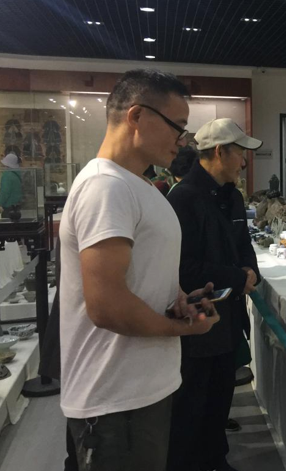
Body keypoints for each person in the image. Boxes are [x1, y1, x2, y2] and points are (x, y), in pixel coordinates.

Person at [58, 69, 219, 471]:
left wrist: (180, 300)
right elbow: (107, 306)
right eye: (177, 126)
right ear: (136, 116)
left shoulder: (138, 186)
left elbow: (142, 278)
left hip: (140, 390)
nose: (182, 140)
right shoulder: (105, 187)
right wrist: (183, 330)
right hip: (115, 399)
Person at [166, 118, 262, 471]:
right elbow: (183, 268)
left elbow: (243, 245)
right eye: (240, 153)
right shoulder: (183, 198)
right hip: (197, 323)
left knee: (220, 400)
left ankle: (215, 461)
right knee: (191, 407)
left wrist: (251, 271)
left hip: (228, 319)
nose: (244, 162)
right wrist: (238, 277)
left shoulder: (231, 196)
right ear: (220, 152)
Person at [0, 152, 23, 220]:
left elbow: (5, 192)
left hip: (8, 207)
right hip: (17, 206)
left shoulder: (7, 175)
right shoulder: (16, 174)